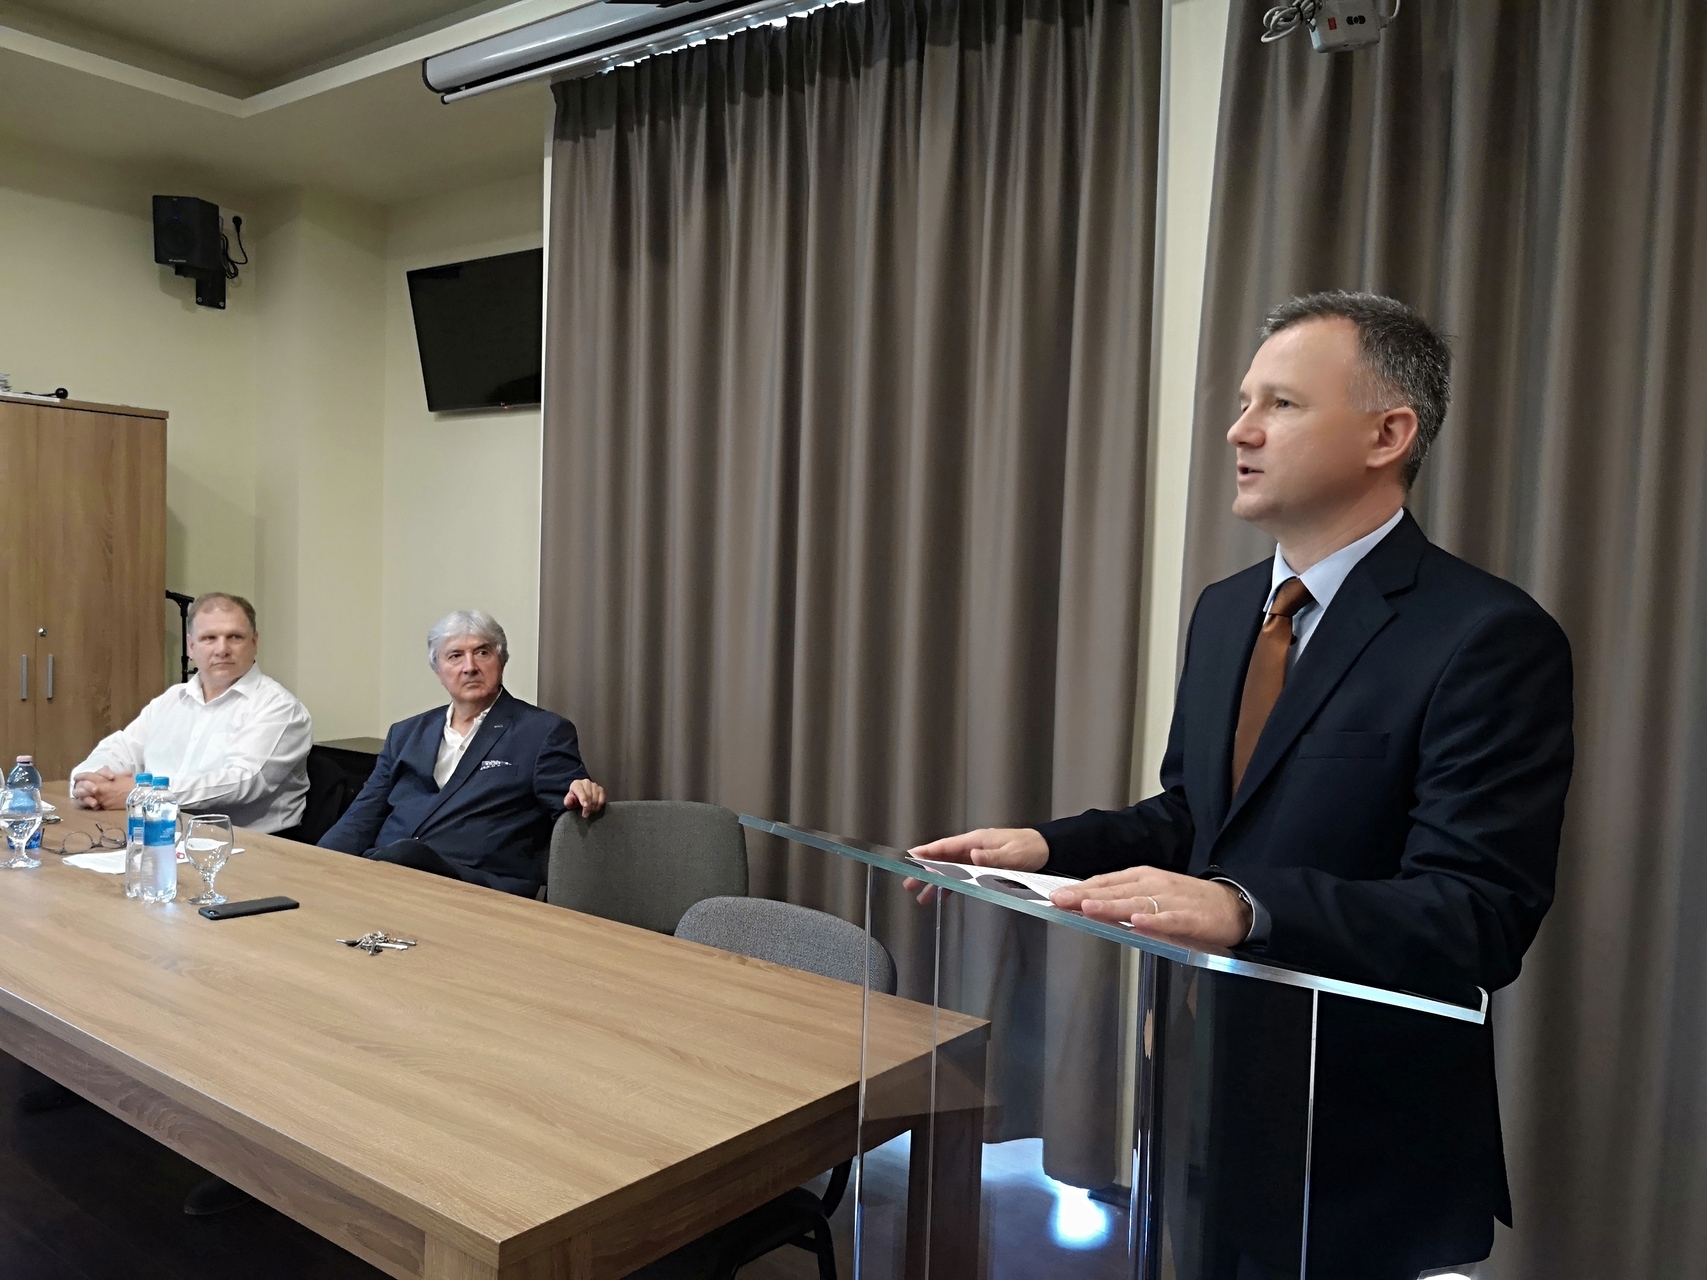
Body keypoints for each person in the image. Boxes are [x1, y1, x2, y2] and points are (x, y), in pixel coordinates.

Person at [909, 293, 1573, 1279]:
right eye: (1242, 402)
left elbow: (1475, 912)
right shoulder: (1227, 611)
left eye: (1282, 404)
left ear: (1389, 434)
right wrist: (1048, 848)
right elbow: (1195, 817)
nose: (1239, 430)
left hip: (1365, 1145)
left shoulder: (1486, 635)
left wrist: (1244, 907)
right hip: (1206, 1102)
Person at [320, 610, 606, 895]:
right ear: (438, 671)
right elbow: (361, 817)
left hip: (474, 884)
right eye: (455, 656)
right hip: (389, 872)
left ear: (501, 660)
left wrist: (582, 794)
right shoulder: (405, 734)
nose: (470, 667)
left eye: (482, 653)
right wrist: (315, 865)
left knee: (404, 856)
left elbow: (573, 812)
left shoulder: (542, 732)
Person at [69, 592, 311, 834]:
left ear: (254, 642)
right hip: (162, 833)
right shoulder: (171, 699)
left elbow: (243, 781)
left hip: (249, 843)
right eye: (209, 638)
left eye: (235, 637)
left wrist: (144, 795)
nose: (222, 649)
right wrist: (90, 782)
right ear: (192, 647)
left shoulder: (278, 707)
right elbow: (120, 749)